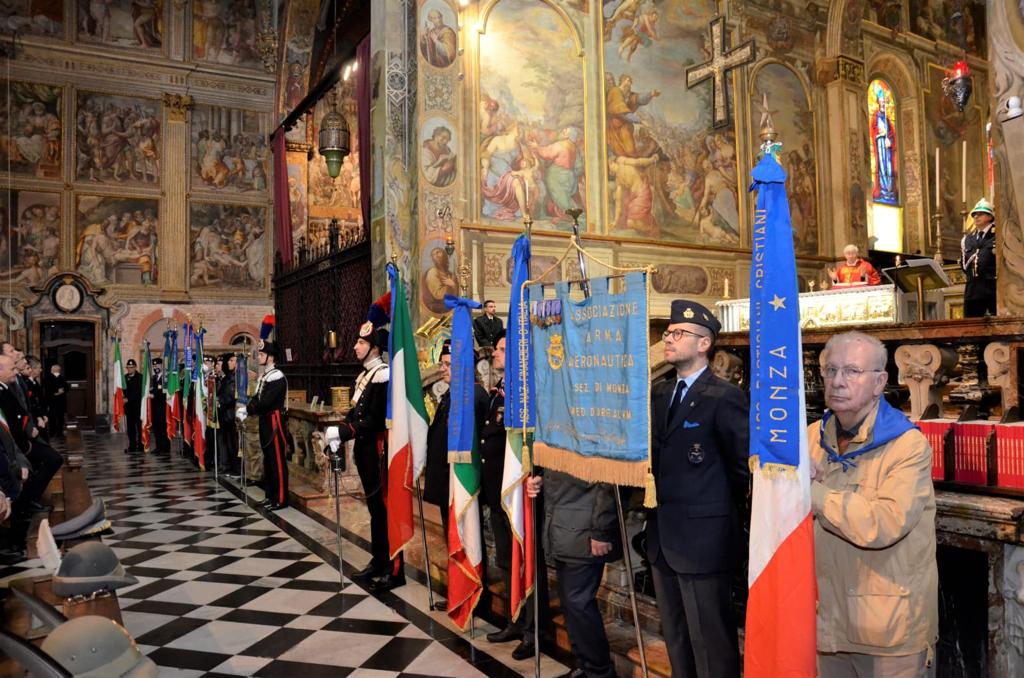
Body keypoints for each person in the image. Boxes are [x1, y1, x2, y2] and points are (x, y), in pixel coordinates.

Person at [809, 331, 937, 676]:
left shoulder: (906, 445)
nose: (838, 381)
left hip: (886, 628)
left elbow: (884, 523)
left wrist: (810, 492)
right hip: (826, 622)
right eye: (830, 370)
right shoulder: (810, 437)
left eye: (852, 371)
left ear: (880, 382)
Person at [647, 300, 749, 678]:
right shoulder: (658, 394)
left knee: (711, 641)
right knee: (676, 635)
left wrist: (716, 512)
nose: (668, 340)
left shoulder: (724, 397)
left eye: (678, 334)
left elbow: (742, 470)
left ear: (704, 343)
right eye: (668, 333)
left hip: (705, 540)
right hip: (663, 539)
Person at [483, 331, 546, 660]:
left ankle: (534, 631)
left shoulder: (530, 393)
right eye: (497, 348)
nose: (496, 353)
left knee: (528, 562)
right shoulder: (499, 392)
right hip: (500, 493)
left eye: (503, 349)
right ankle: (515, 619)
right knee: (507, 562)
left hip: (521, 494)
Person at [334, 319, 405, 592]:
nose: (355, 347)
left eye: (361, 343)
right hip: (364, 450)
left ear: (374, 349)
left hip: (377, 450)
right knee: (375, 510)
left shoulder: (382, 374)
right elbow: (355, 413)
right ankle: (379, 560)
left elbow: (375, 420)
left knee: (385, 509)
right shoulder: (365, 375)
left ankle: (394, 569)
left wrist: (347, 431)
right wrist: (342, 429)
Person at [527, 471, 621, 678]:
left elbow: (609, 481)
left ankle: (600, 671)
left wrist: (602, 530)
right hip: (563, 526)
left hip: (586, 530)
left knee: (578, 603)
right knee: (571, 603)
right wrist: (541, 479)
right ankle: (586, 665)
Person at [422, 340, 488, 612]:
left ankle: (473, 596)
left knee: (466, 538)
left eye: (449, 365)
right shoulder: (453, 394)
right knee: (452, 538)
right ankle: (458, 591)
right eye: (443, 364)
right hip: (445, 482)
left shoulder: (474, 396)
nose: (443, 369)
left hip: (460, 483)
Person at [241, 341, 289, 510]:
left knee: (276, 461)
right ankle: (270, 496)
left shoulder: (277, 376)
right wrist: (247, 407)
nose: (259, 357)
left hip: (274, 422)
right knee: (268, 461)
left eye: (262, 355)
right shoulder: (265, 376)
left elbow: (266, 402)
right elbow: (256, 397)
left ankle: (281, 498)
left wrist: (248, 409)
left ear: (271, 357)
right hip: (264, 421)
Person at [961, 197, 997, 317]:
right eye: (974, 215)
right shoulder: (968, 240)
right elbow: (964, 265)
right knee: (971, 329)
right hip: (972, 292)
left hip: (992, 290)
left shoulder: (998, 236)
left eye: (980, 214)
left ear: (990, 217)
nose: (976, 217)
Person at [217, 352, 240, 478]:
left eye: (233, 361)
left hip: (231, 414)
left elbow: (232, 396)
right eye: (230, 361)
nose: (230, 363)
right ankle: (230, 466)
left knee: (234, 444)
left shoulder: (236, 378)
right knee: (228, 443)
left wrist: (220, 402)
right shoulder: (227, 377)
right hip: (225, 415)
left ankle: (237, 468)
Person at [150, 357, 169, 455]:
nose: (155, 367)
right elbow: (152, 389)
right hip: (155, 407)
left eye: (157, 365)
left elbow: (163, 391)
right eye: (154, 365)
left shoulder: (165, 378)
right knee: (156, 427)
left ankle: (165, 448)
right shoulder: (153, 378)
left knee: (163, 427)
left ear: (161, 366)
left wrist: (154, 394)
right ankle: (158, 447)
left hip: (162, 407)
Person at [123, 358, 143, 454]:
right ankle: (132, 446)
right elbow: (123, 391)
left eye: (131, 367)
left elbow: (138, 392)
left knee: (139, 427)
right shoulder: (124, 377)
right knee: (130, 428)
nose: (130, 369)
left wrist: (128, 399)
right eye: (128, 367)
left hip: (138, 407)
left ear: (135, 367)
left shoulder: (140, 377)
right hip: (129, 408)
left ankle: (141, 445)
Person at [44, 363, 68, 438]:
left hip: (61, 401)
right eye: (56, 370)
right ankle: (52, 432)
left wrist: (63, 390)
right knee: (52, 417)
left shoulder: (62, 378)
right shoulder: (47, 378)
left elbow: (67, 387)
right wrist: (56, 392)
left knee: (60, 417)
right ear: (52, 370)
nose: (58, 371)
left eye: (59, 370)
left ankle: (59, 433)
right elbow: (47, 389)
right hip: (52, 401)